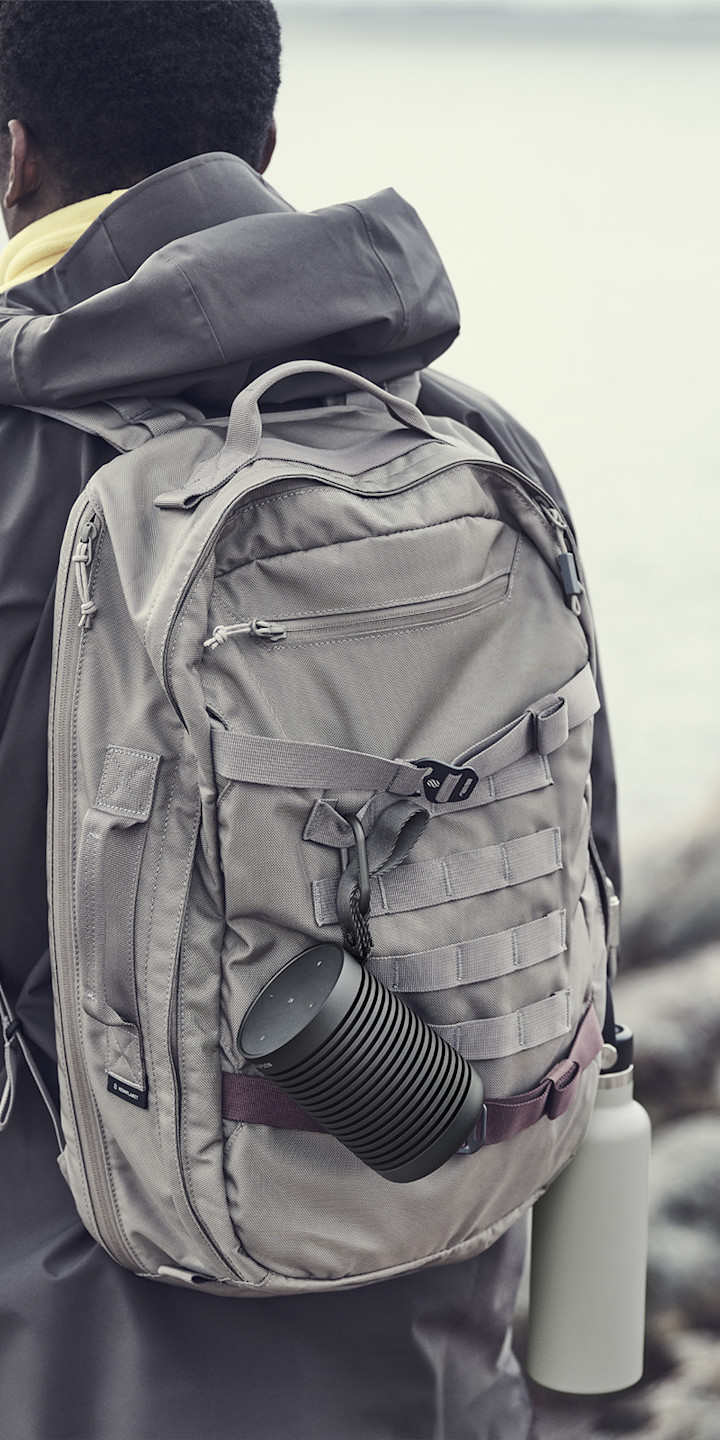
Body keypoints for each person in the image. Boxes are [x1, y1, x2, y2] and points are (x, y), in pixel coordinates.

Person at [0, 3, 620, 1437]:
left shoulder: (27, 468)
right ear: (264, 146)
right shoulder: (472, 444)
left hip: (75, 1353)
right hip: (429, 1332)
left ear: (13, 159)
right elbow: (568, 883)